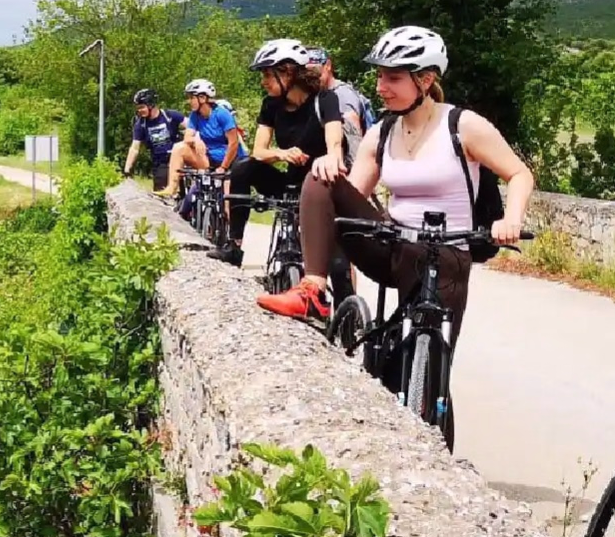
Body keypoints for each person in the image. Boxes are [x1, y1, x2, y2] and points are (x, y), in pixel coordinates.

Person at [256, 25, 534, 341]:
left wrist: (511, 219)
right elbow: (351, 196)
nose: (380, 87)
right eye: (379, 77)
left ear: (425, 80)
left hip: (446, 255)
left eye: (393, 78)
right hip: (392, 249)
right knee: (321, 178)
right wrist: (327, 167)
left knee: (433, 355)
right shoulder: (382, 132)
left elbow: (519, 174)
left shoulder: (463, 125)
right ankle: (312, 292)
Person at [210, 38, 347, 265]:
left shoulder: (325, 100)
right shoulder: (271, 105)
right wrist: (282, 154)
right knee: (243, 168)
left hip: (320, 185)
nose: (263, 81)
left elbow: (334, 143)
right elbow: (258, 151)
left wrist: (332, 157)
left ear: (288, 72)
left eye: (267, 75)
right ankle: (234, 245)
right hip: (290, 185)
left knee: (337, 263)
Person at [158, 78, 242, 197]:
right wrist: (196, 140)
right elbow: (187, 137)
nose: (189, 101)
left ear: (202, 98)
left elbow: (233, 143)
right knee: (179, 147)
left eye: (192, 97)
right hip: (207, 157)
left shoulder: (222, 114)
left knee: (227, 200)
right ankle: (171, 188)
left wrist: (223, 167)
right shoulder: (195, 115)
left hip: (227, 161)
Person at [121, 88, 185, 190]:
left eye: (142, 107)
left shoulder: (169, 116)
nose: (139, 111)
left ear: (151, 104)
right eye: (138, 108)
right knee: (162, 192)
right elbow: (134, 148)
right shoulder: (141, 124)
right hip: (160, 163)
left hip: (179, 158)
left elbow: (191, 126)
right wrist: (127, 169)